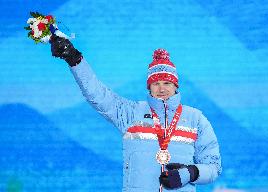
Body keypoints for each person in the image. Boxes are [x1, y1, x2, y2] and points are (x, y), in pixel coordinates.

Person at [49, 35, 222, 192]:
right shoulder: (131, 113)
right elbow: (98, 95)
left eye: (167, 83)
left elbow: (214, 167)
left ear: (176, 86)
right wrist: (75, 60)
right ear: (149, 87)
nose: (162, 88)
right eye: (156, 83)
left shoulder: (196, 119)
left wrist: (191, 173)